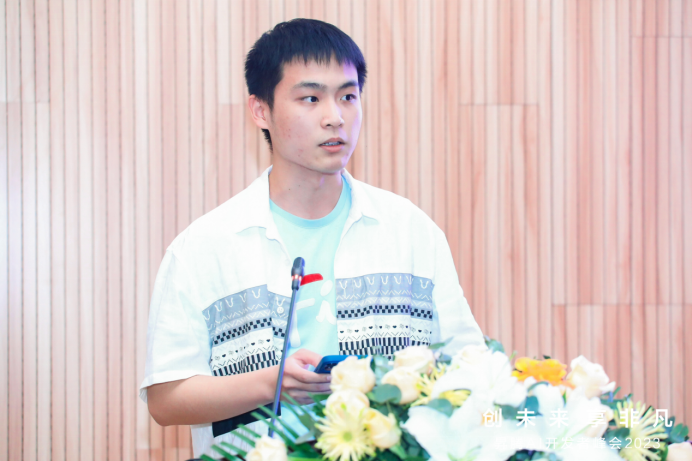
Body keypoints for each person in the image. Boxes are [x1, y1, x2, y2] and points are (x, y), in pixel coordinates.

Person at [139, 18, 484, 458]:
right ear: (261, 110)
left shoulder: (410, 230)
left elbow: (468, 364)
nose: (335, 117)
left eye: (348, 97)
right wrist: (270, 383)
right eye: (311, 98)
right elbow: (166, 399)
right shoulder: (203, 248)